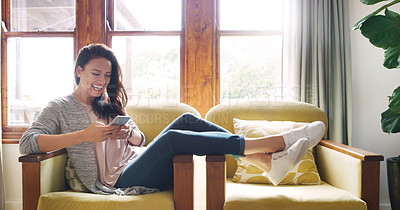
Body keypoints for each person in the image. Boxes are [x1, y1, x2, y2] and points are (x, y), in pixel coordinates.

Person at [19, 43, 325, 195]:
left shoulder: (109, 105)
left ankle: (263, 161)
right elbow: (28, 143)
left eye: (107, 75)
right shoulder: (59, 107)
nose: (101, 80)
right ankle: (271, 146)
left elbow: (141, 139)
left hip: (136, 162)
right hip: (117, 182)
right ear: (79, 71)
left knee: (187, 121)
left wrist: (129, 135)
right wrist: (83, 135)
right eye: (95, 73)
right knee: (174, 138)